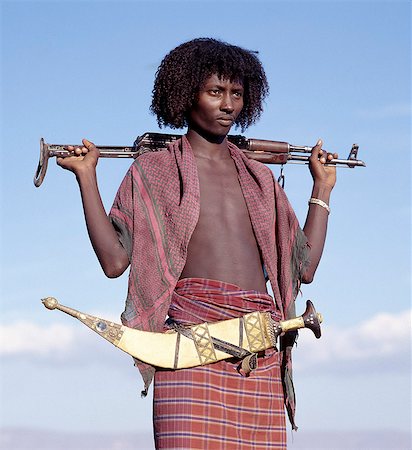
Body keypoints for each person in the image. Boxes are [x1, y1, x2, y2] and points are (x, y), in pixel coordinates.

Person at [57, 38, 337, 449]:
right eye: (215, 92)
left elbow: (304, 269)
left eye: (237, 94)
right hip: (188, 352)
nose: (228, 105)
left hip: (258, 356)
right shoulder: (153, 171)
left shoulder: (261, 181)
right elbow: (115, 261)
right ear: (186, 94)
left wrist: (323, 189)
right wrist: (87, 177)